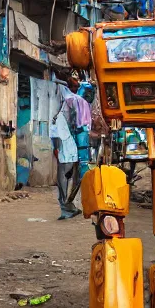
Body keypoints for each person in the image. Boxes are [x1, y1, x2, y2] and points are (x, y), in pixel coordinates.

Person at [52, 74, 89, 219]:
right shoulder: (72, 101)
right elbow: (77, 126)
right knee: (66, 175)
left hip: (68, 144)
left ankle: (68, 205)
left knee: (70, 175)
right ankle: (65, 206)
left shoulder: (69, 101)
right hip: (65, 144)